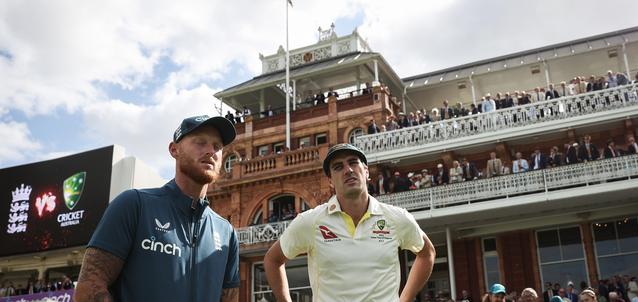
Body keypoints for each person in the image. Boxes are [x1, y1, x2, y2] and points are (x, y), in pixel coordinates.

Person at [75, 115, 240, 302]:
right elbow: (89, 288)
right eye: (200, 143)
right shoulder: (133, 204)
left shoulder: (226, 232)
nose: (211, 151)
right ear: (174, 149)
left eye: (217, 146)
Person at [263, 143, 436, 301]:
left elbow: (427, 253)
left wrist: (405, 298)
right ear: (330, 180)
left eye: (353, 163)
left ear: (366, 171)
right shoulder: (311, 221)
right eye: (338, 167)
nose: (348, 170)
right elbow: (272, 259)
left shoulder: (396, 218)